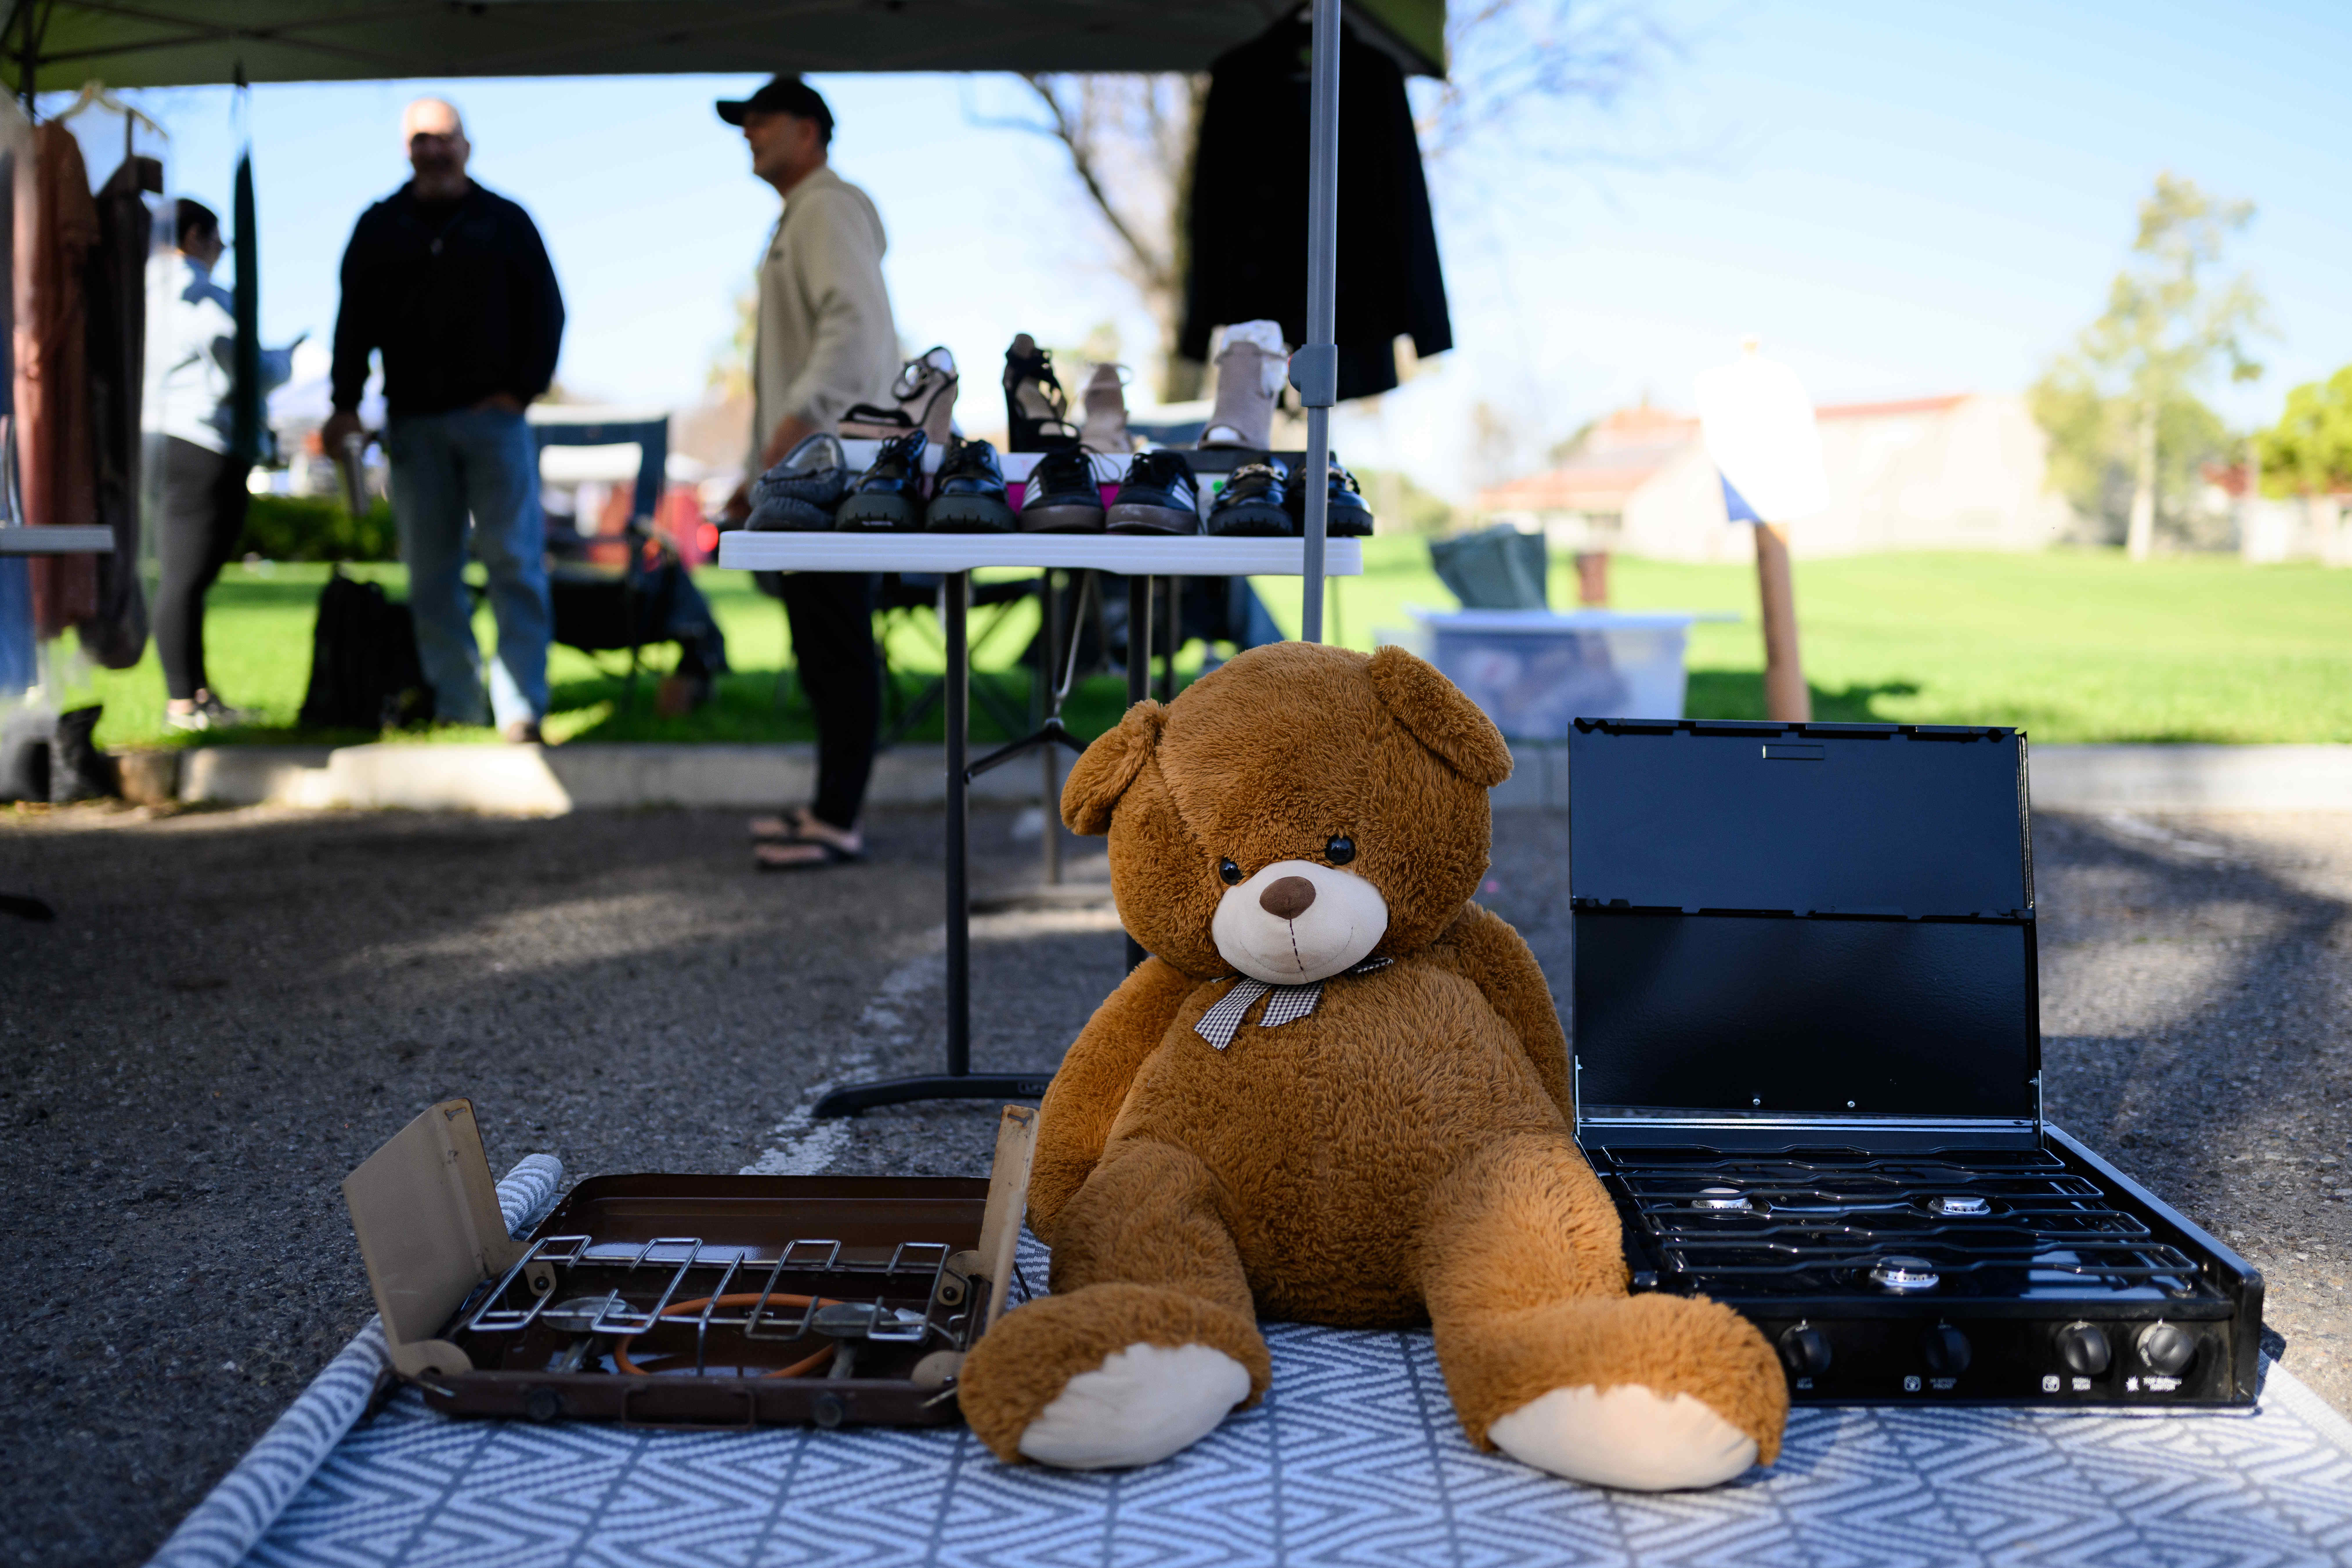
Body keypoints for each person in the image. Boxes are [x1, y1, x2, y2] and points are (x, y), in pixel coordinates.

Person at [321, 98, 564, 743]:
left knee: (514, 560)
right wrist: (346, 401)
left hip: (496, 422)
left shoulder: (506, 221)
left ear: (466, 144)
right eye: (420, 139)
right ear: (407, 149)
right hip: (414, 424)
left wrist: (522, 391)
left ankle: (521, 708)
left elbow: (547, 310)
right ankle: (459, 701)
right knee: (432, 572)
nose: (433, 149)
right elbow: (352, 323)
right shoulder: (380, 226)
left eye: (444, 137)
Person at [717, 76, 901, 870]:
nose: (749, 132)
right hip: (815, 464)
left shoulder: (826, 206)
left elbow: (853, 324)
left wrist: (793, 428)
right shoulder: (808, 213)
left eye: (762, 119)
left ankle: (839, 816)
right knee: (822, 638)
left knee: (835, 637)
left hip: (829, 467)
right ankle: (830, 806)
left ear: (809, 130)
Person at [149, 198, 294, 731]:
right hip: (200, 442)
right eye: (219, 241)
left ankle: (196, 692)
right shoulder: (198, 295)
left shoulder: (138, 290)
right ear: (195, 236)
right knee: (186, 575)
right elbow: (232, 350)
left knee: (183, 574)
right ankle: (183, 702)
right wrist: (280, 363)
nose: (221, 254)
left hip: (157, 440)